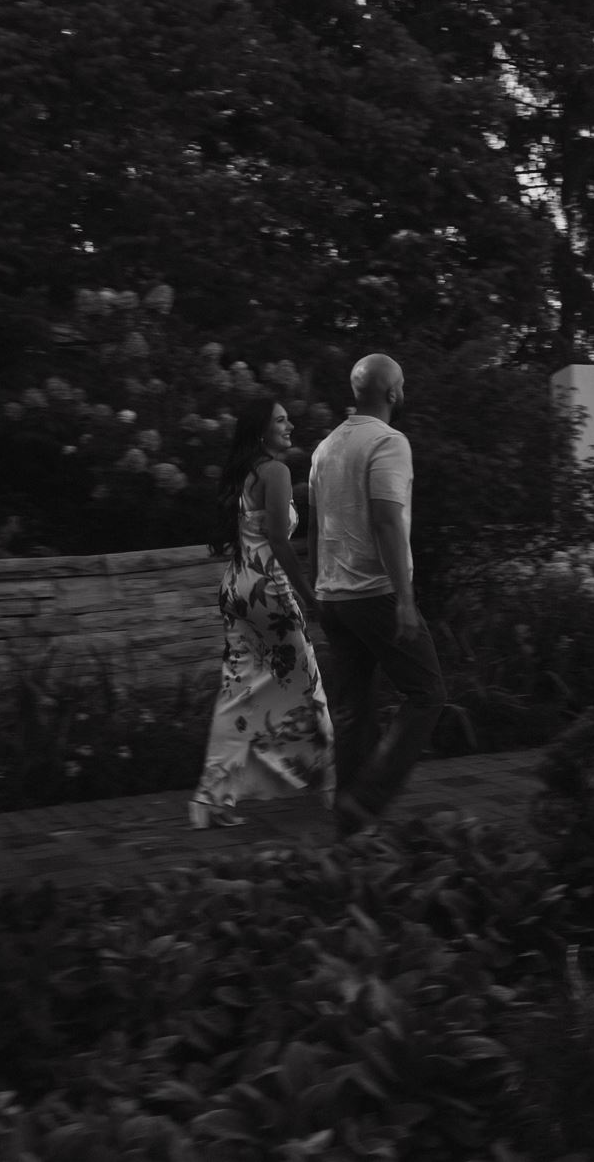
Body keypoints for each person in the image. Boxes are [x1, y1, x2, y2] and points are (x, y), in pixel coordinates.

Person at [307, 353, 448, 837]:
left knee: (354, 710)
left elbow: (316, 527)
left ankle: (349, 830)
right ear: (392, 393)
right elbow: (387, 519)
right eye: (402, 385)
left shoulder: (325, 449)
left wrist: (316, 591)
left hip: (334, 598)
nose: (403, 392)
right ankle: (366, 802)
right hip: (375, 594)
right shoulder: (389, 441)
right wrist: (405, 599)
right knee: (427, 693)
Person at [189, 397, 335, 829]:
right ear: (260, 431)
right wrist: (311, 598)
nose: (289, 424)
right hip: (267, 592)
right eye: (280, 420)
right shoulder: (275, 471)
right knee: (308, 682)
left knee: (238, 693)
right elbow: (279, 540)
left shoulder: (245, 472)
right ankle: (329, 783)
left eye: (288, 417)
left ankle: (210, 800)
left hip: (236, 587)